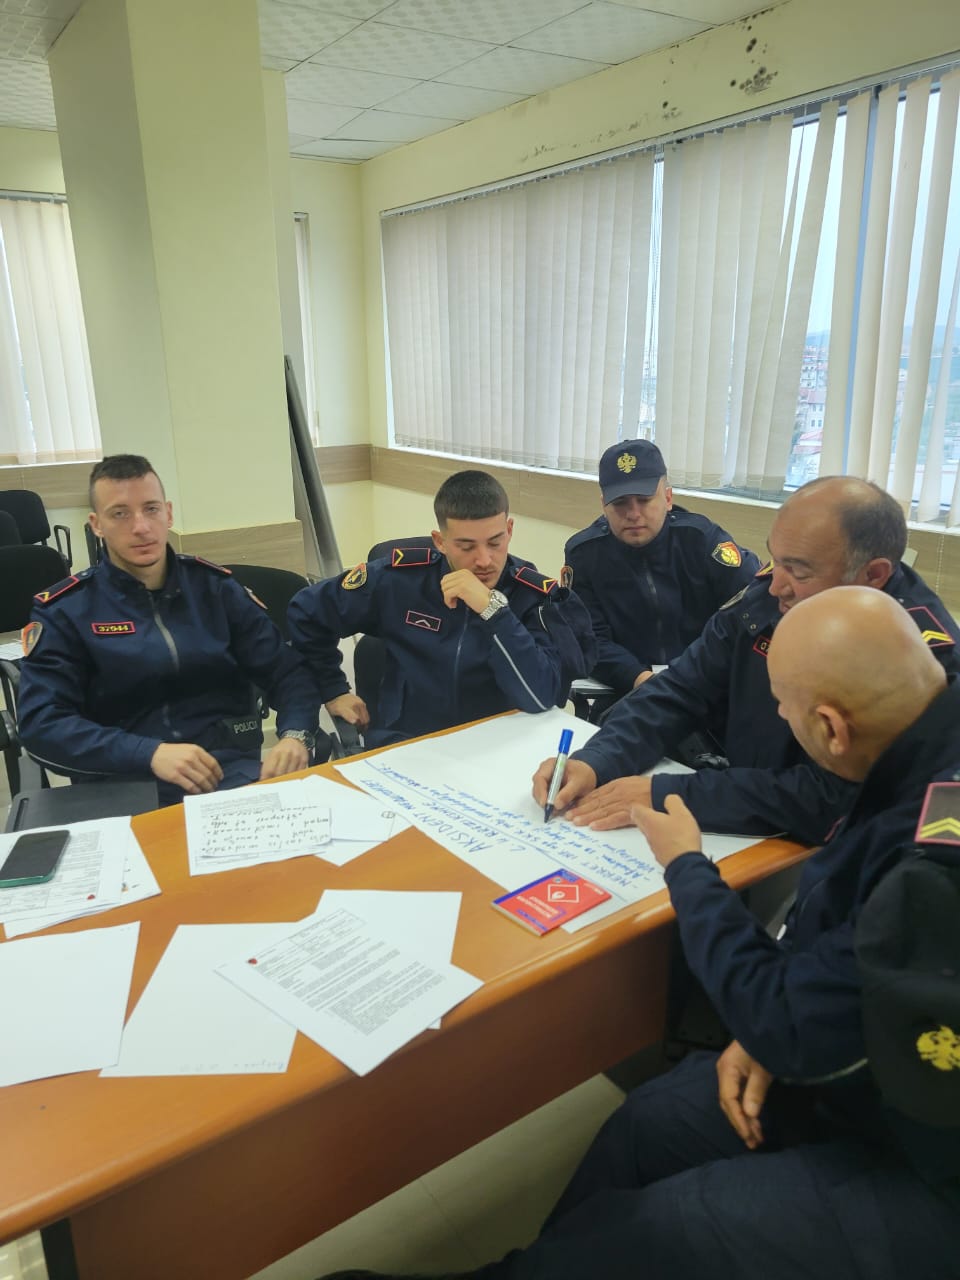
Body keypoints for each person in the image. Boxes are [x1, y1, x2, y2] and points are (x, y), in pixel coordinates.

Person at [317, 587, 960, 1280]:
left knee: (664, 1228)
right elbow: (835, 975)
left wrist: (687, 865)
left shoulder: (932, 863)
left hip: (925, 1160)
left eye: (783, 706)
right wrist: (781, 1024)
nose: (777, 715)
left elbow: (801, 1014)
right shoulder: (921, 725)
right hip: (858, 1045)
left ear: (831, 729)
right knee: (647, 1124)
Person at [533, 475, 960, 844]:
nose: (775, 586)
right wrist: (597, 760)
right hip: (737, 813)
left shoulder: (921, 661)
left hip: (821, 853)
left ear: (873, 575)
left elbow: (838, 797)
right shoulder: (772, 596)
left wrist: (669, 794)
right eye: (776, 559)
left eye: (798, 571)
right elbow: (680, 688)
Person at [17, 454, 321, 805]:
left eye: (151, 509)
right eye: (120, 514)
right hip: (119, 783)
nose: (141, 527)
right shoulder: (66, 610)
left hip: (225, 774)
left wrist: (296, 735)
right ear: (96, 524)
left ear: (169, 513)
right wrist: (148, 753)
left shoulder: (216, 590)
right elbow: (43, 724)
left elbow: (287, 672)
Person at [287, 470, 596, 748]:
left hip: (496, 747)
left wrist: (493, 610)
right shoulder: (400, 580)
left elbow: (539, 697)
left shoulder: (532, 597)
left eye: (495, 542)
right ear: (440, 541)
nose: (484, 560)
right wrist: (333, 689)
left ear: (510, 530)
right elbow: (307, 613)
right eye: (466, 546)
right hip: (406, 744)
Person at [563, 439, 759, 699]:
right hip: (629, 688)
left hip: (707, 682)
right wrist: (641, 679)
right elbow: (588, 638)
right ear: (604, 505)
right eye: (620, 502)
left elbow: (752, 607)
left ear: (668, 498)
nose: (633, 514)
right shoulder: (584, 554)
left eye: (644, 500)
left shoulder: (702, 541)